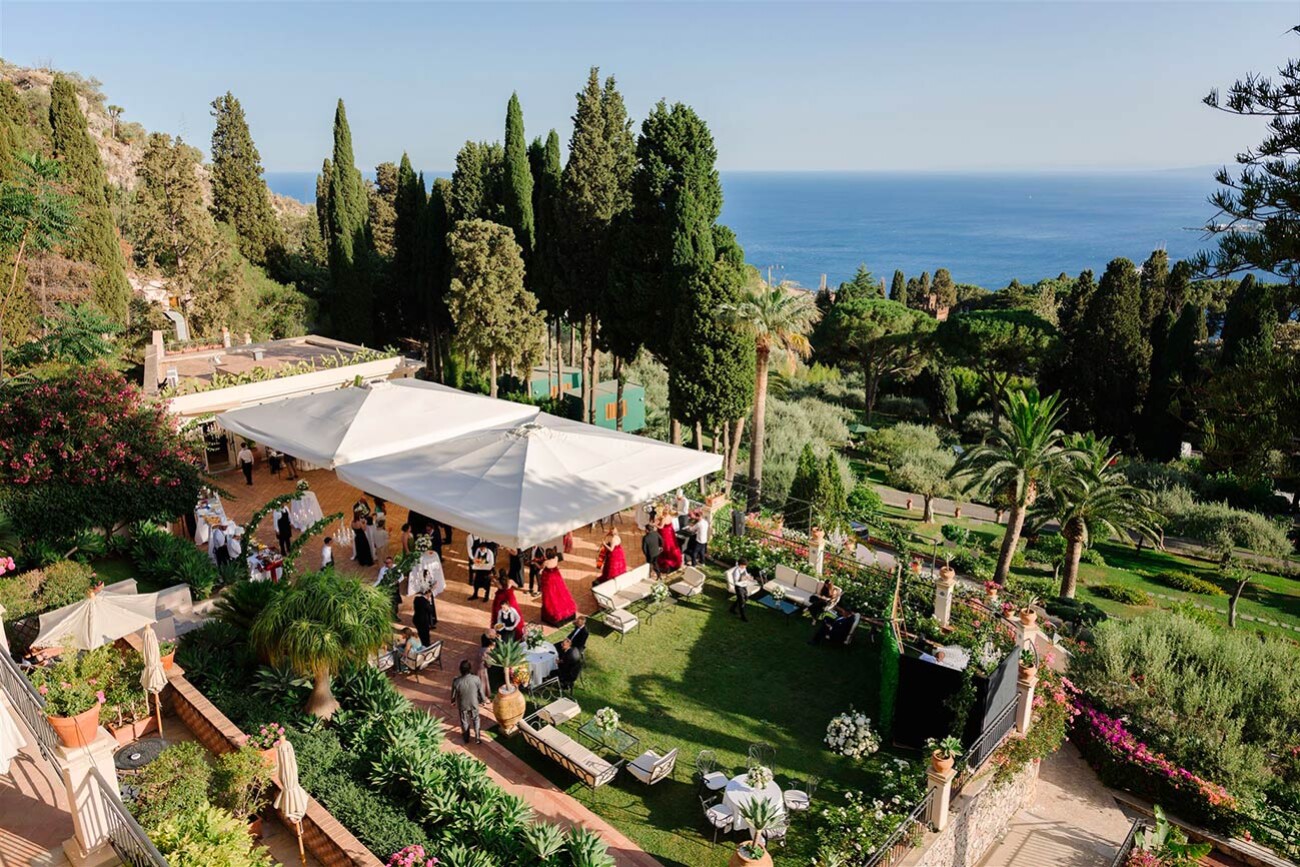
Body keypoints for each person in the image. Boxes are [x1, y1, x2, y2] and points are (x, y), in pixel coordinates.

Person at [536, 548, 577, 627]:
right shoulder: (556, 558)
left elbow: (541, 568)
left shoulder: (546, 562)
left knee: (550, 595)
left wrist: (535, 563)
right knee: (560, 592)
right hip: (556, 576)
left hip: (549, 579)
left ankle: (552, 613)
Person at [450, 659, 486, 744]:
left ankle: (466, 738)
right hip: (474, 703)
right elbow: (481, 691)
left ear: (460, 670)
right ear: (470, 669)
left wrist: (453, 701)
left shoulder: (456, 681)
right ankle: (477, 737)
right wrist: (483, 700)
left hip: (463, 705)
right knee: (476, 719)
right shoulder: (476, 679)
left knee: (464, 721)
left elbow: (453, 694)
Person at [491, 575, 525, 641]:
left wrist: (493, 579)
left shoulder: (498, 583)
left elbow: (496, 584)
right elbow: (517, 586)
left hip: (500, 599)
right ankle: (516, 635)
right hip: (510, 599)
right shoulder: (510, 581)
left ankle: (500, 635)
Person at [473, 631, 497, 697]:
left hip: (477, 667)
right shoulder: (487, 651)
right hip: (482, 670)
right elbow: (489, 664)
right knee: (483, 684)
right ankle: (482, 698)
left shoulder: (482, 649)